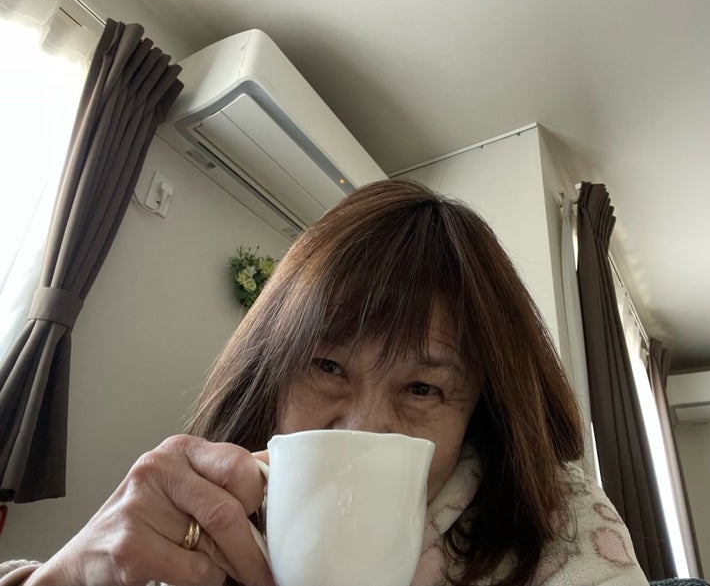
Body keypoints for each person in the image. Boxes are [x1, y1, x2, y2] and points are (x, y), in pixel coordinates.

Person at [1, 179, 648, 586]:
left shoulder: (554, 522)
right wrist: (63, 577)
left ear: (481, 409)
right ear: (272, 371)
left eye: (423, 389)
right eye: (328, 367)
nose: (364, 427)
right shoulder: (200, 517)